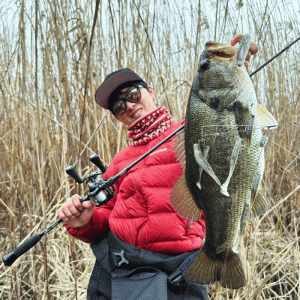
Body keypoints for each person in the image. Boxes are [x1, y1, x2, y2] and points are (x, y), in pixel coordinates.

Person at [57, 35, 259, 299]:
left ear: (150, 91)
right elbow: (105, 217)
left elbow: (229, 115)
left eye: (132, 94)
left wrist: (234, 61)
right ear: (117, 117)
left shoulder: (192, 132)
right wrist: (85, 222)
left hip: (178, 271)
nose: (129, 105)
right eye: (119, 106)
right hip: (122, 269)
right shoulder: (120, 160)